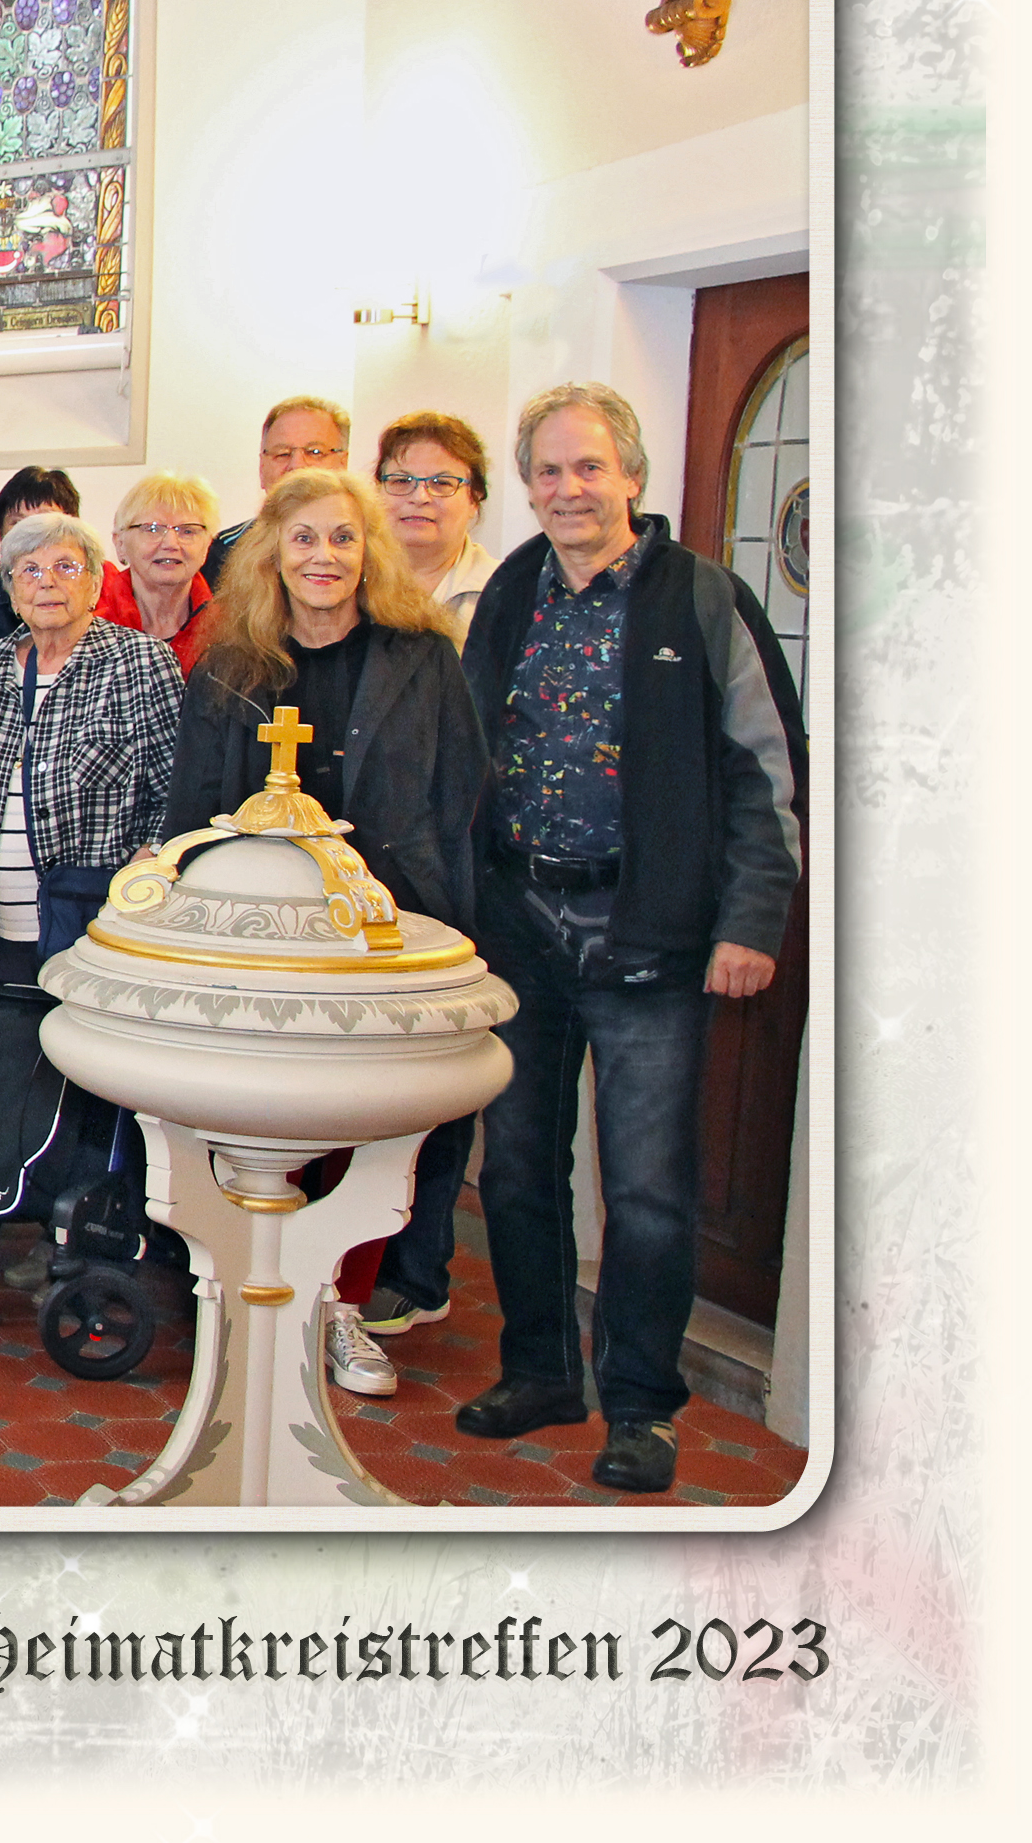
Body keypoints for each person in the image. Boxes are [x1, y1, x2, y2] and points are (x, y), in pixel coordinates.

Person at [453, 383, 801, 1495]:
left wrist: (751, 920)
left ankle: (642, 1407)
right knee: (515, 1169)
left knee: (648, 1191)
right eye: (547, 473)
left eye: (587, 468)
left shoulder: (703, 599)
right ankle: (542, 1370)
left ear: (632, 477)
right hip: (522, 929)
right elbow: (471, 750)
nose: (567, 491)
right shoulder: (510, 591)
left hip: (650, 936)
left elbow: (763, 773)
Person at [162, 469, 486, 1401]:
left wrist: (447, 927)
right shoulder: (232, 665)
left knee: (367, 1131)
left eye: (342, 538)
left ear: (368, 550)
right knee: (263, 1123)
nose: (323, 558)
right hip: (262, 932)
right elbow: (192, 808)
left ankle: (341, 1307)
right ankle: (252, 1296)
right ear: (272, 550)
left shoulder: (421, 654)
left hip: (386, 926)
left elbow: (461, 792)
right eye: (303, 538)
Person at [0, 510, 181, 983]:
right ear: (12, 591)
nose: (46, 582)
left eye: (66, 567)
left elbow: (175, 794)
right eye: (29, 570)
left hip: (97, 932)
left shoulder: (140, 663)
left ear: (95, 583)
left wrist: (145, 869)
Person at [202, 393, 351, 592]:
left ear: (343, 463)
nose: (297, 465)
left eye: (314, 452)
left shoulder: (369, 549)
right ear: (262, 468)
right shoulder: (226, 553)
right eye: (283, 454)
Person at [373, 409, 502, 639]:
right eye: (402, 481)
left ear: (474, 498)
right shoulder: (348, 587)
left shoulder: (507, 592)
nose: (420, 497)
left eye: (442, 483)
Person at [96, 471, 222, 676]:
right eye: (152, 529)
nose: (171, 544)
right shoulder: (91, 635)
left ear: (208, 544)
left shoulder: (232, 632)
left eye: (187, 531)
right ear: (120, 544)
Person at [0, 466, 81, 644]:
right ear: (0, 534)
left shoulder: (103, 583)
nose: (30, 534)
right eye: (18, 523)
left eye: (45, 521)